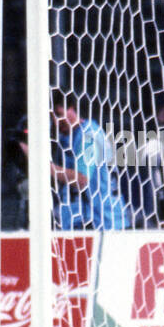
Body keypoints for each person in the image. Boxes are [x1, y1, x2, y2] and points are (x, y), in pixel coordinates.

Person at [51, 91, 130, 230]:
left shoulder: (89, 136)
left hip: (105, 224)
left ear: (72, 108)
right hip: (85, 221)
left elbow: (82, 180)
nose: (55, 122)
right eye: (50, 118)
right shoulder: (64, 138)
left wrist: (42, 166)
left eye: (58, 114)